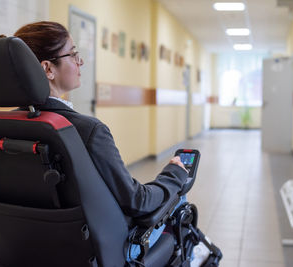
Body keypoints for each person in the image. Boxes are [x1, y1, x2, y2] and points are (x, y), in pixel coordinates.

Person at [11, 21, 188, 261]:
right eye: (73, 54)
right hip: (96, 252)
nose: (80, 61)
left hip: (25, 249)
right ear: (48, 69)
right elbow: (137, 201)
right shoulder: (87, 131)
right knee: (180, 204)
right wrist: (173, 175)